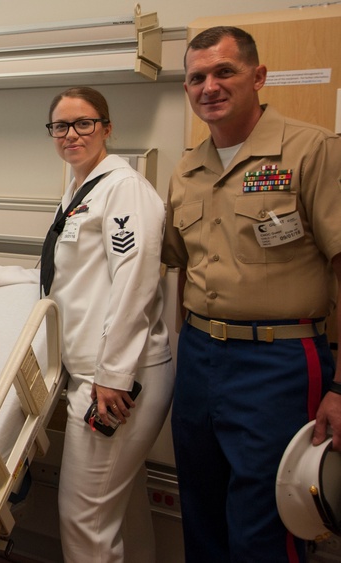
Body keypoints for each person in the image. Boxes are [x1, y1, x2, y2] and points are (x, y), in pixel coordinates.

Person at [0, 87, 173, 562]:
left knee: (83, 518)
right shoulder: (79, 189)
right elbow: (60, 276)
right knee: (120, 508)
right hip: (101, 371)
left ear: (107, 128)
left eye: (84, 123)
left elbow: (136, 283)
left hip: (116, 379)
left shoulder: (123, 189)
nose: (71, 134)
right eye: (61, 126)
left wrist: (113, 376)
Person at [161, 26, 341, 562]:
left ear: (258, 77)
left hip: (279, 360)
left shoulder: (312, 151)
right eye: (196, 78)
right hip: (198, 358)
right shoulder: (187, 170)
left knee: (267, 521)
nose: (208, 87)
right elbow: (173, 265)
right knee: (201, 510)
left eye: (224, 72)